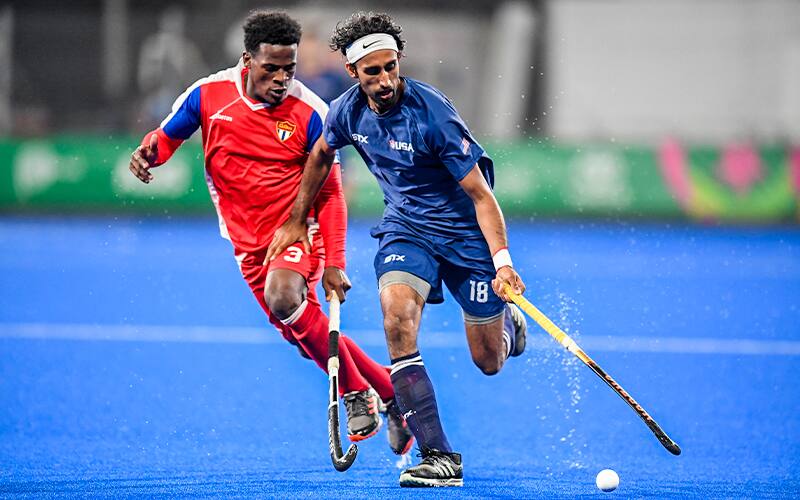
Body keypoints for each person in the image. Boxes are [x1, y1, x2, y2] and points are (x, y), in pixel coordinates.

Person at [128, 10, 413, 456]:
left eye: (289, 69)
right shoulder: (207, 96)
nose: (281, 79)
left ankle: (356, 391)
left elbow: (331, 192)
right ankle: (395, 395)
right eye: (271, 69)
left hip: (299, 232)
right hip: (246, 245)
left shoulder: (312, 112)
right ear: (247, 60)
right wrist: (149, 155)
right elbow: (167, 137)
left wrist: (335, 262)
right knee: (303, 338)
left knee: (285, 298)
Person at [267, 12, 528, 488]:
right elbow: (321, 154)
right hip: (406, 229)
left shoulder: (434, 116)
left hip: (465, 236)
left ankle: (507, 327)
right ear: (353, 72)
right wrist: (298, 218)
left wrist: (502, 263)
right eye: (373, 71)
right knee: (396, 321)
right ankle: (439, 456)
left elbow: (481, 196)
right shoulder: (346, 111)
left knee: (488, 361)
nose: (385, 80)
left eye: (391, 67)